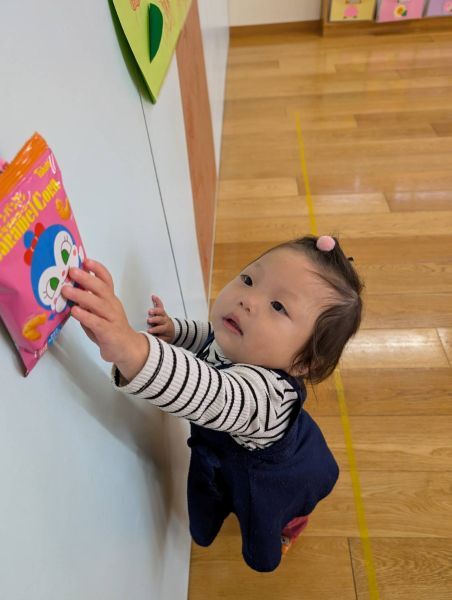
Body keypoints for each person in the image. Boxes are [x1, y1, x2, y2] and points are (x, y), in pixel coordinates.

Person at [61, 234, 364, 572]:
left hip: (271, 476)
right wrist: (176, 332)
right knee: (217, 493)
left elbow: (212, 393)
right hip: (223, 457)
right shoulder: (242, 341)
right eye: (248, 279)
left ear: (303, 363)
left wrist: (130, 347)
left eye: (278, 306)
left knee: (272, 514)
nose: (247, 300)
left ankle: (291, 527)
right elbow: (209, 336)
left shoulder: (266, 399)